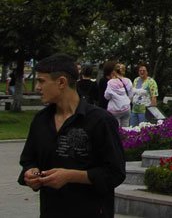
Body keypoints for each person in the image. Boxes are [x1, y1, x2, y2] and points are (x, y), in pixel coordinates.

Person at [19, 53, 126, 217]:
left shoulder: (100, 121)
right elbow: (28, 159)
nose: (37, 88)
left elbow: (115, 173)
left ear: (61, 82)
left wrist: (71, 176)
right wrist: (30, 173)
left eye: (41, 81)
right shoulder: (41, 120)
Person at [101, 61, 131, 128]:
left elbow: (106, 96)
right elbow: (130, 93)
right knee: (125, 127)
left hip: (114, 109)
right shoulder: (126, 80)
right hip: (125, 107)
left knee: (115, 127)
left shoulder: (110, 82)